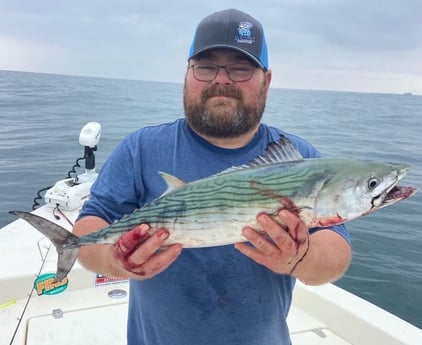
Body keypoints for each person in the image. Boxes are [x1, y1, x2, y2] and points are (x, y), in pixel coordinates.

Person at [73, 8, 352, 345]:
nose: (222, 79)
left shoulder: (299, 159)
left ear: (267, 79)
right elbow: (89, 228)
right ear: (188, 74)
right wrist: (114, 260)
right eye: (206, 67)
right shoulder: (141, 148)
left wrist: (301, 257)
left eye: (241, 68)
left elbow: (335, 255)